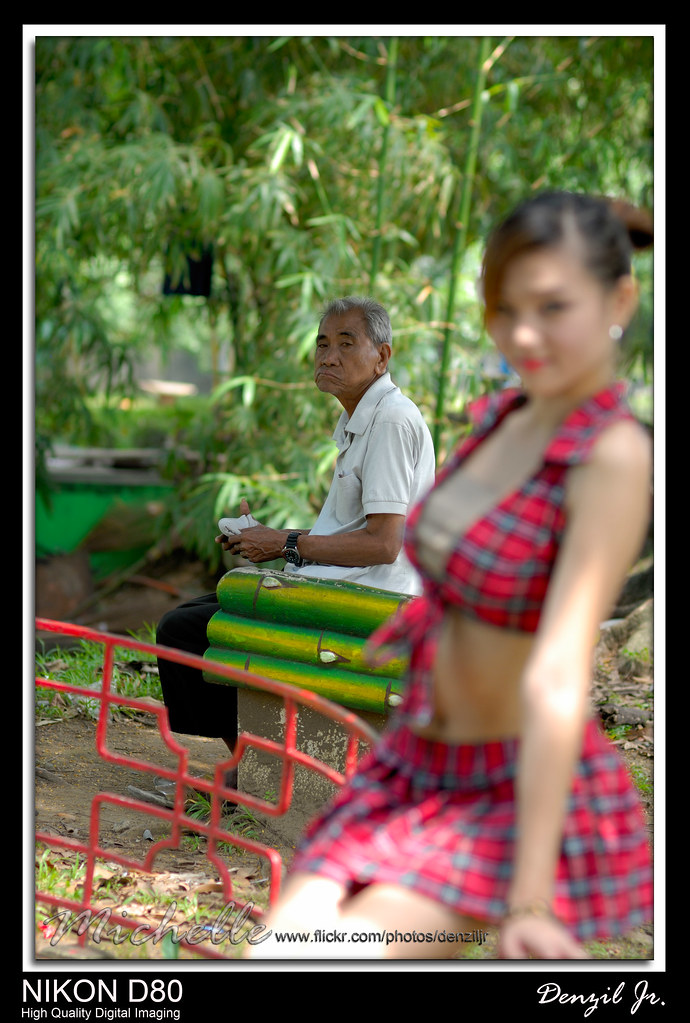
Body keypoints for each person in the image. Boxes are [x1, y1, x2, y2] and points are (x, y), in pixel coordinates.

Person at [246, 192, 654, 961]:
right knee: (274, 951)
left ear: (620, 300)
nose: (524, 334)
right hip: (411, 760)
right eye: (505, 310)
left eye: (554, 306)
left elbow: (560, 674)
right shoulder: (504, 417)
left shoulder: (609, 453)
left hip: (496, 789)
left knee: (312, 957)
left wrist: (530, 897)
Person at [156, 296, 436, 774]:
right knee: (192, 614)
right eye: (322, 344)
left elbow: (385, 545)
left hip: (374, 600)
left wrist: (285, 545)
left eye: (347, 344)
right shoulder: (360, 419)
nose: (329, 357)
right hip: (351, 586)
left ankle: (255, 772)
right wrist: (268, 538)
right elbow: (355, 533)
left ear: (382, 356)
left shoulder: (389, 421)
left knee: (182, 631)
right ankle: (252, 768)